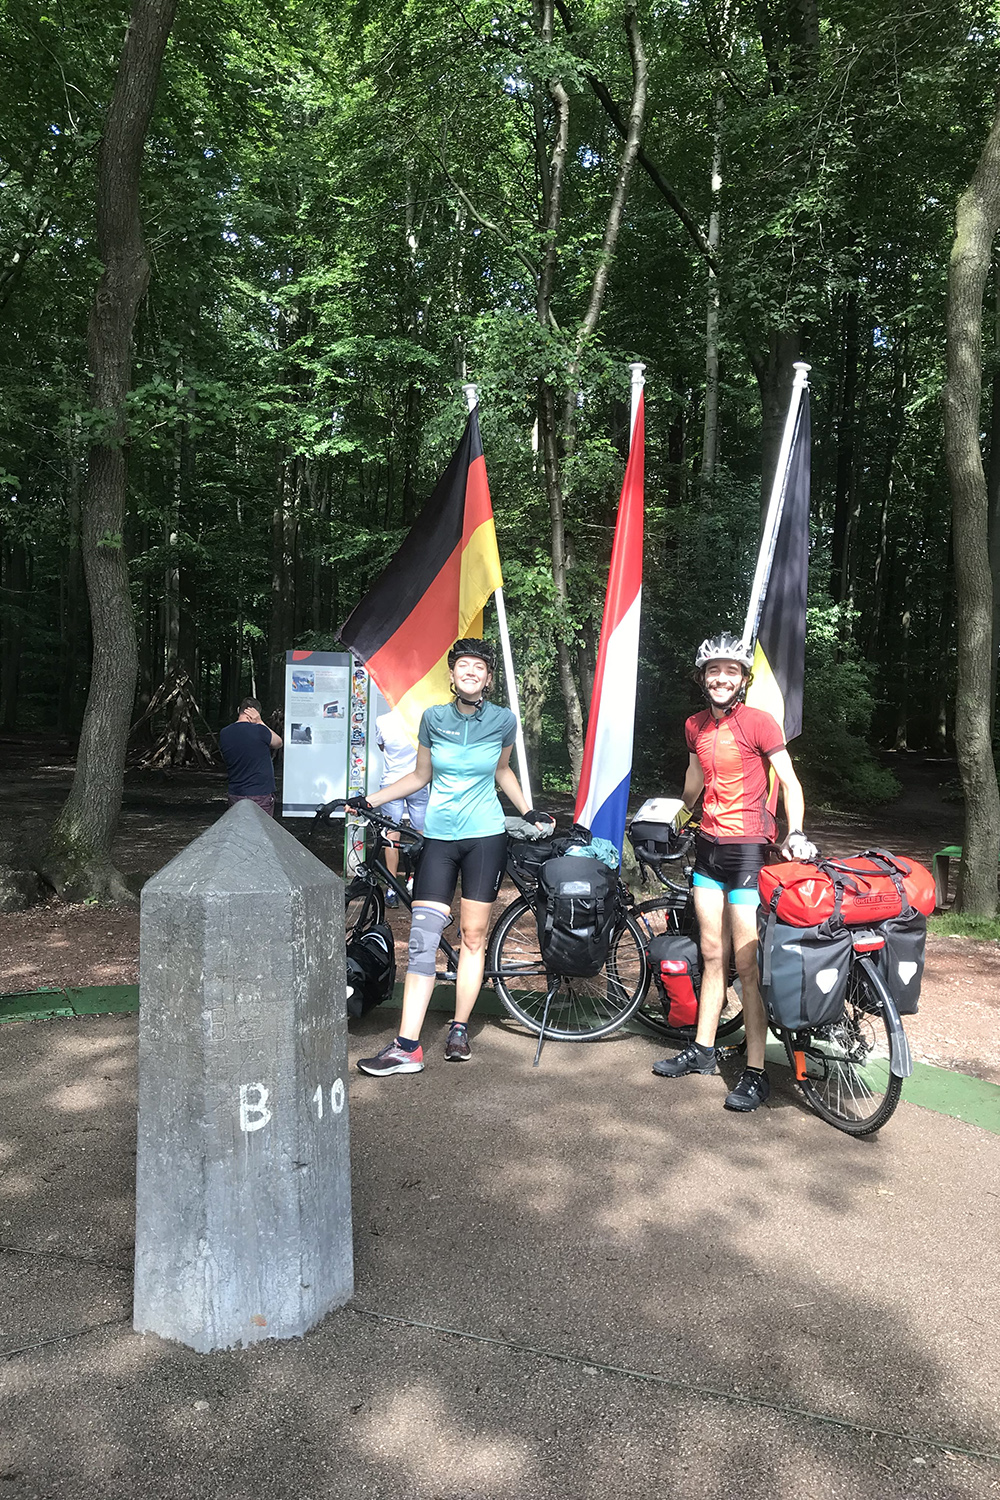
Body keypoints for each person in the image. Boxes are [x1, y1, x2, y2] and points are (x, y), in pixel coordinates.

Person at [353, 640, 553, 1074]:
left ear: (488, 677)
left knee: (474, 935)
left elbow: (502, 771)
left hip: (485, 837)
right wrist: (370, 799)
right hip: (439, 838)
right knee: (424, 938)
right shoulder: (433, 719)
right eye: (463, 665)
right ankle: (407, 1046)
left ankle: (459, 1027)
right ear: (452, 674)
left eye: (479, 667)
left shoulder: (503, 719)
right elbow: (420, 775)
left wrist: (528, 810)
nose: (470, 672)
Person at [652, 632, 818, 1112]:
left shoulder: (760, 723)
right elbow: (694, 780)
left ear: (743, 678)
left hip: (748, 849)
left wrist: (797, 830)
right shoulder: (694, 726)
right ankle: (703, 1050)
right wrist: (672, 817)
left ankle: (755, 1070)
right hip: (707, 849)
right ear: (703, 679)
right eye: (713, 671)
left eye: (731, 671)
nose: (721, 678)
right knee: (711, 952)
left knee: (747, 962)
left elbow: (789, 781)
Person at [375, 707, 429, 906]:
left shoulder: (382, 720)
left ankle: (391, 888)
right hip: (418, 781)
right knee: (422, 834)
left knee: (391, 835)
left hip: (391, 783)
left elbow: (382, 746)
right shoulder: (419, 719)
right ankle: (417, 881)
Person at [219, 697, 282, 817]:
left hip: (236, 793)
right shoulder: (260, 731)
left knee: (239, 831)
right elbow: (278, 742)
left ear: (239, 710)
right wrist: (260, 722)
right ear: (257, 712)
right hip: (260, 793)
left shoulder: (224, 733)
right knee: (261, 831)